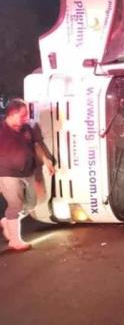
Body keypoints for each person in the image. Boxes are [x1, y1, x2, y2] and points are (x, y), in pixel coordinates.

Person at [0, 98, 54, 251]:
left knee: (32, 204)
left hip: (28, 171)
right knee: (15, 205)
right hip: (7, 173)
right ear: (12, 113)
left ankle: (8, 221)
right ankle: (15, 241)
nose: (26, 118)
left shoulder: (28, 128)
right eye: (23, 115)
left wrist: (46, 161)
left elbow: (37, 145)